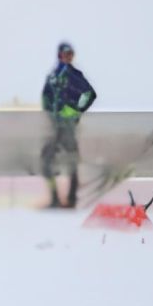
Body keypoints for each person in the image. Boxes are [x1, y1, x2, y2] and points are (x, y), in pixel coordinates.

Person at [41, 41, 97, 208]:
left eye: (70, 54)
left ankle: (72, 198)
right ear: (60, 55)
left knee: (72, 159)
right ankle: (54, 198)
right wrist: (50, 112)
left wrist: (76, 110)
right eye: (65, 54)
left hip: (68, 124)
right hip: (55, 124)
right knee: (46, 160)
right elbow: (45, 96)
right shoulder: (53, 76)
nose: (68, 57)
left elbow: (90, 94)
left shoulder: (74, 75)